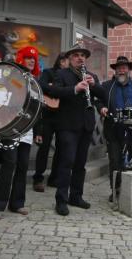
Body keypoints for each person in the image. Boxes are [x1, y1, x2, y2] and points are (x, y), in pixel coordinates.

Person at [42, 43, 106, 216]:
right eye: (76, 55)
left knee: (80, 164)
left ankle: (76, 197)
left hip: (86, 125)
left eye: (83, 55)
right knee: (66, 162)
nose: (80, 58)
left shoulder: (91, 76)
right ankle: (61, 200)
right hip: (67, 125)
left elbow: (103, 95)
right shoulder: (62, 74)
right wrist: (75, 89)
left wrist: (94, 86)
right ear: (70, 59)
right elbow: (54, 92)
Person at [0, 46, 39, 220]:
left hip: (27, 129)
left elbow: (37, 108)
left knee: (23, 165)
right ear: (21, 58)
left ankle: (17, 203)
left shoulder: (35, 81)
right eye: (28, 57)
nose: (32, 61)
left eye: (34, 59)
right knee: (9, 163)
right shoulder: (11, 75)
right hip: (10, 127)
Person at [98, 56, 132, 202]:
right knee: (115, 161)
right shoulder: (107, 86)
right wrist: (101, 107)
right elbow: (99, 101)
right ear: (115, 70)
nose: (121, 70)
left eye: (124, 68)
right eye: (119, 68)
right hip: (113, 128)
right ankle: (116, 190)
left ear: (128, 70)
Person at [32, 52, 68, 192]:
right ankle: (38, 179)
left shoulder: (70, 76)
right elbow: (41, 86)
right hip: (47, 115)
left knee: (61, 148)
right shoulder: (48, 72)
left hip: (63, 115)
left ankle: (54, 178)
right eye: (65, 60)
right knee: (44, 147)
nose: (67, 63)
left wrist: (57, 89)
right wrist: (56, 89)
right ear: (61, 61)